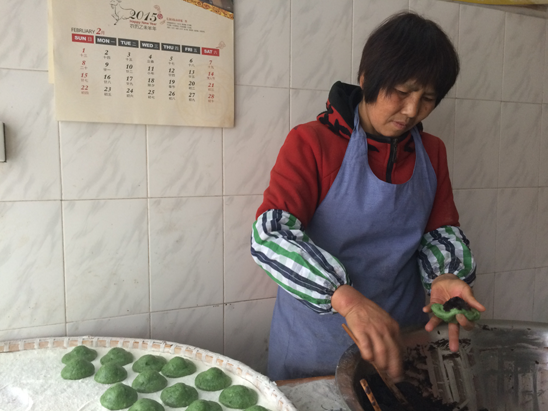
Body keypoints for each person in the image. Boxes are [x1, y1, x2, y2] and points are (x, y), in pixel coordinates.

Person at [250, 11, 485, 382]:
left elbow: (439, 233)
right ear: (366, 80)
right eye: (403, 92)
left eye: (427, 98)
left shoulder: (431, 152)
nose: (411, 111)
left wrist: (445, 275)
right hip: (316, 349)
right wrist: (345, 297)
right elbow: (271, 237)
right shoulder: (313, 143)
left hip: (400, 342)